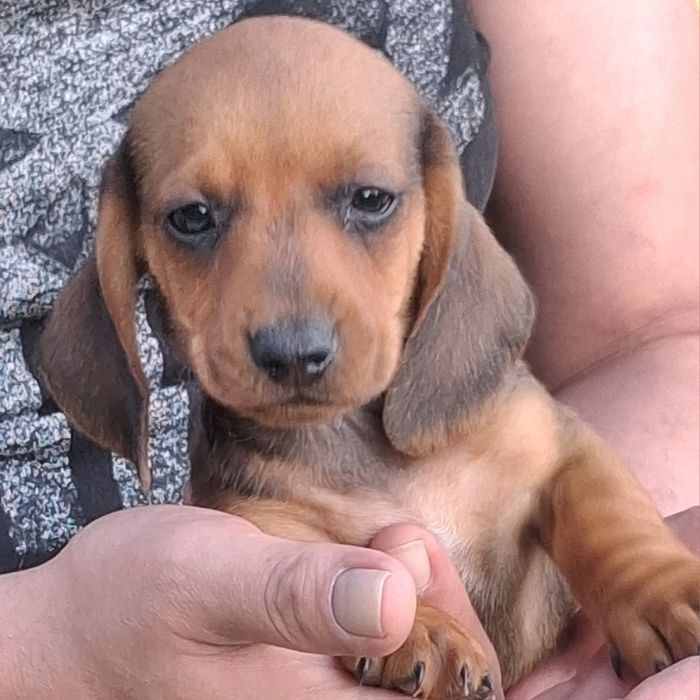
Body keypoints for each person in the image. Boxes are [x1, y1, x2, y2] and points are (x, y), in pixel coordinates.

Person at [0, 1, 697, 698]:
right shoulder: (255, 511)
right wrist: (59, 652)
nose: (294, 333)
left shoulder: (496, 410)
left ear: (436, 218)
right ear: (128, 250)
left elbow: (636, 346)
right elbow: (282, 590)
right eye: (195, 219)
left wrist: (635, 574)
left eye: (367, 201)